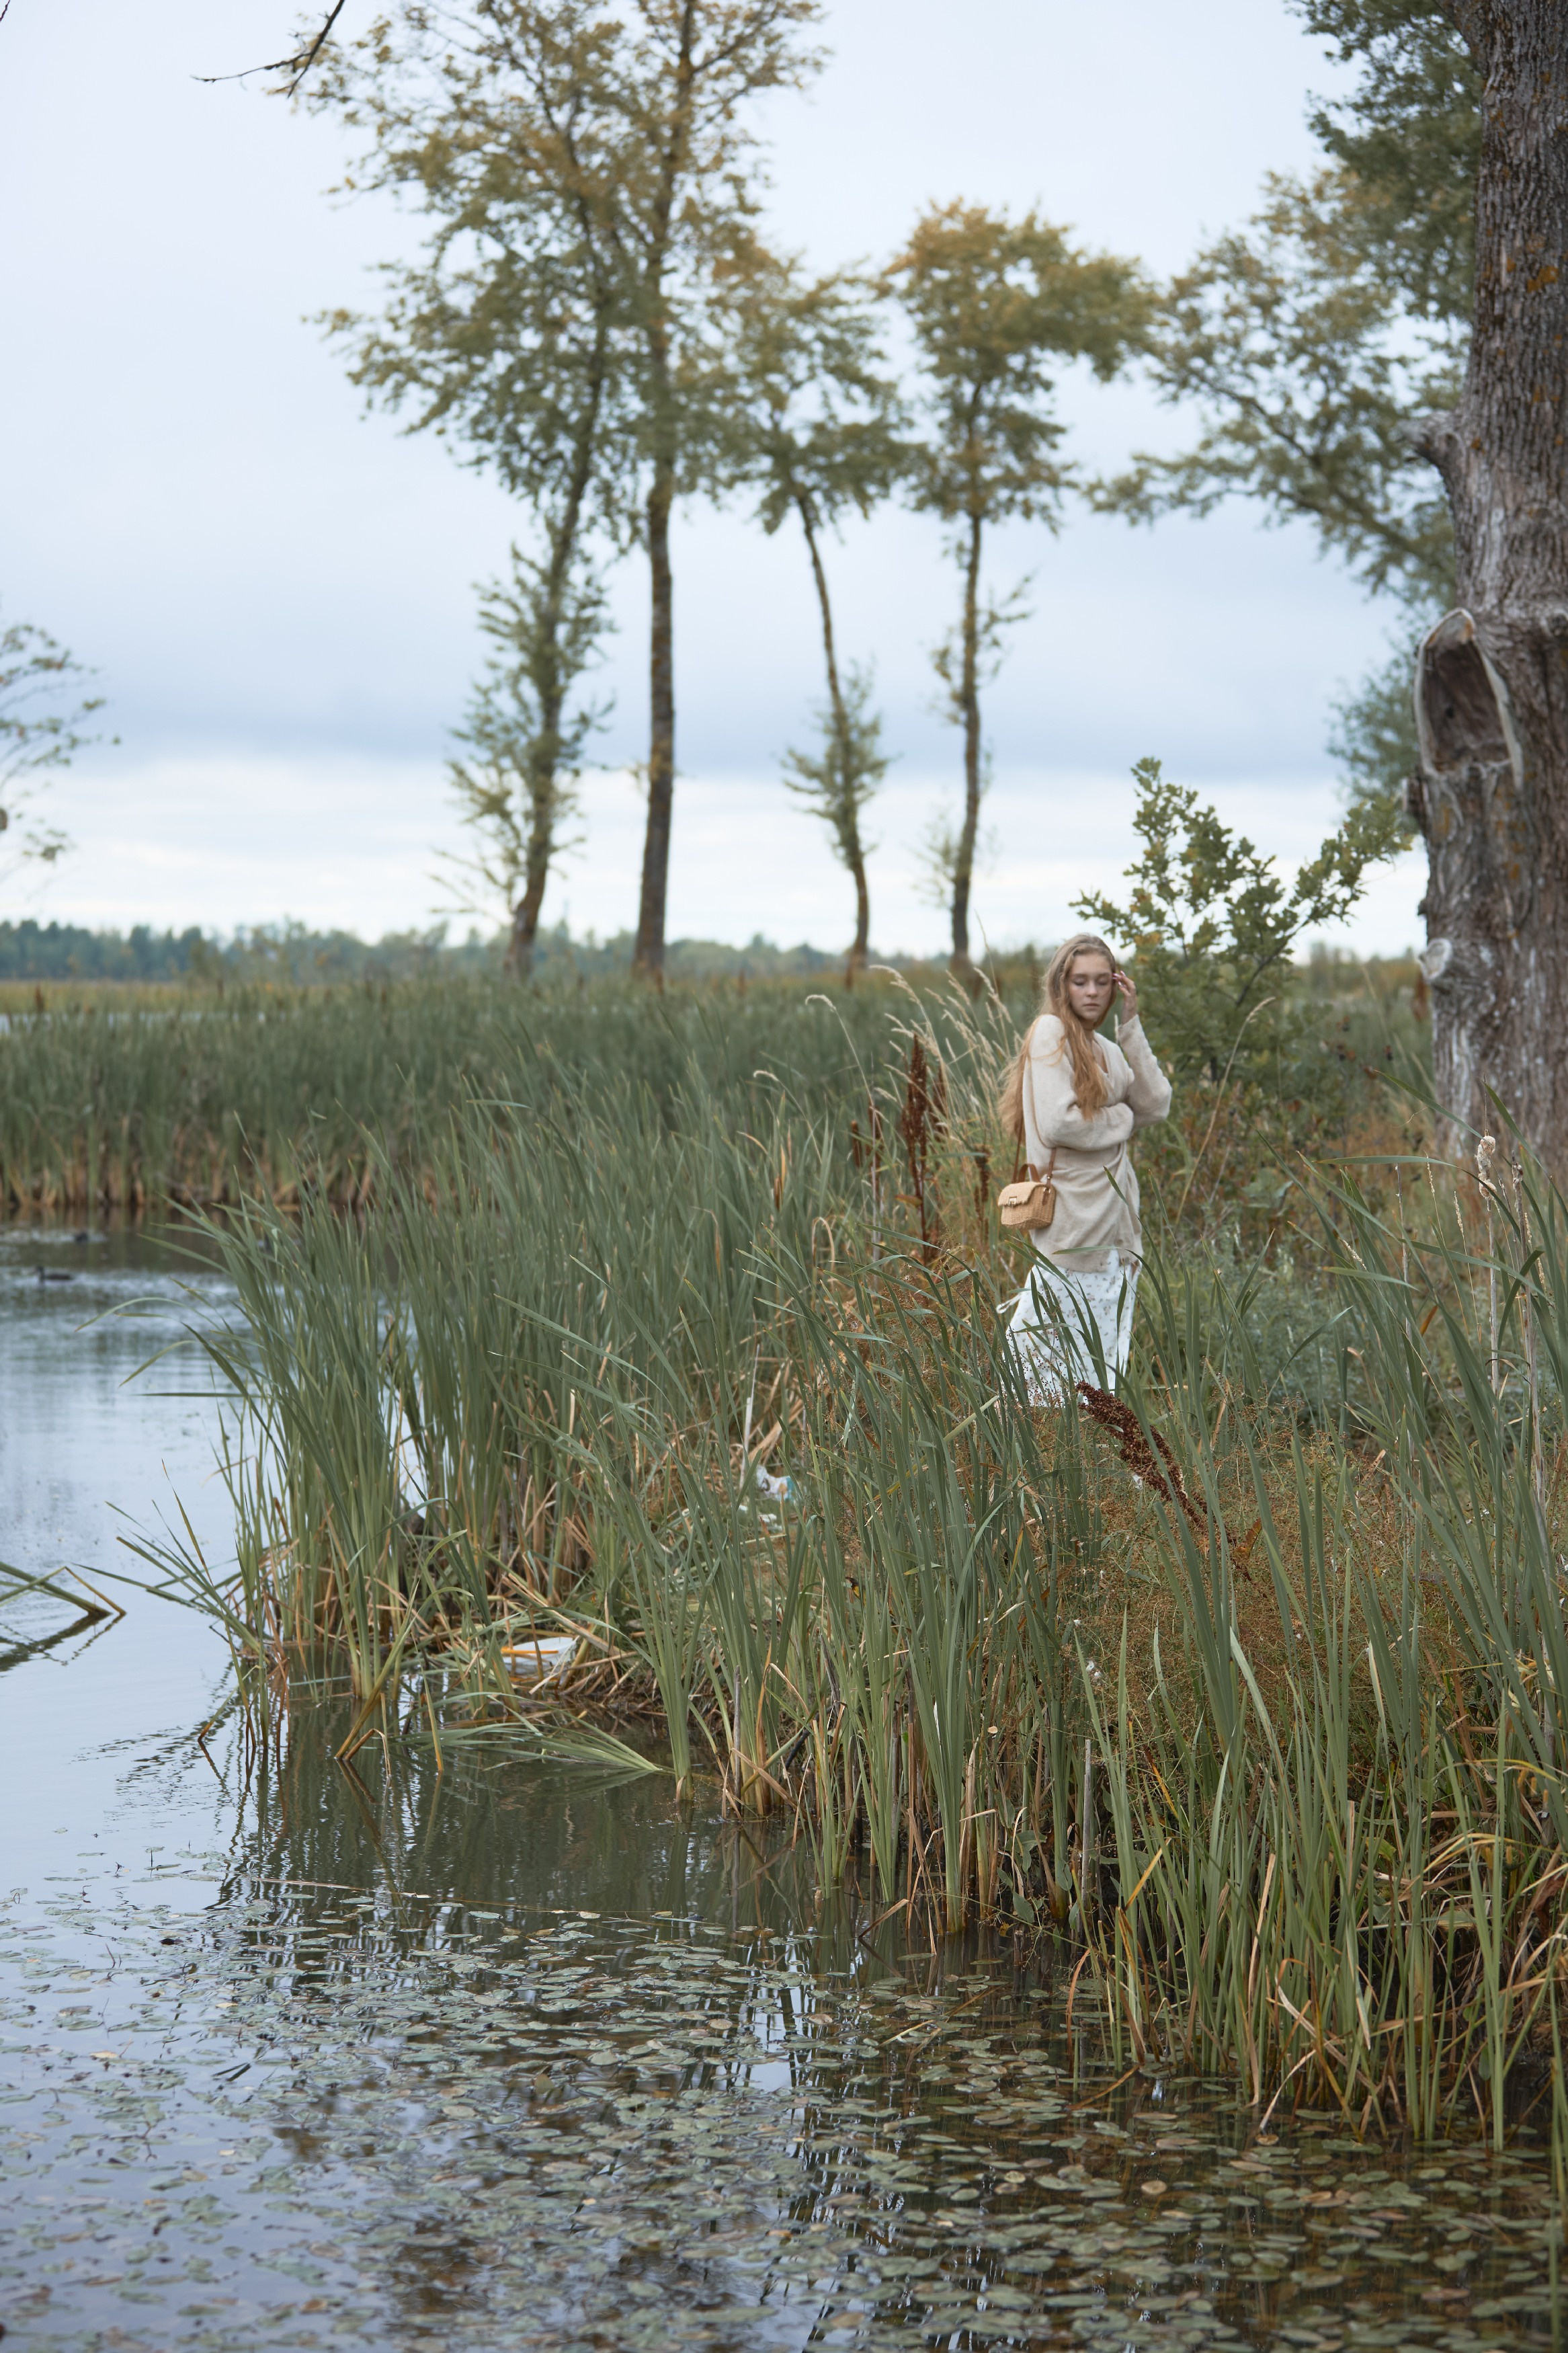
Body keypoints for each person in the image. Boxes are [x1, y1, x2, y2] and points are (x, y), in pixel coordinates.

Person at [999, 932, 1171, 1406]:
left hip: (1115, 1232)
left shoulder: (1107, 1049)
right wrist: (1121, 1118)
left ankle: (1092, 1465)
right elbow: (1058, 1122)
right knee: (1040, 1359)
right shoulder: (1050, 1031)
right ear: (1062, 985)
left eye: (1101, 981)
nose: (1092, 992)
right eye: (1080, 982)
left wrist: (1131, 1028)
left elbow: (1155, 1105)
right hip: (1075, 1225)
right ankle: (1029, 1457)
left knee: (1099, 1364)